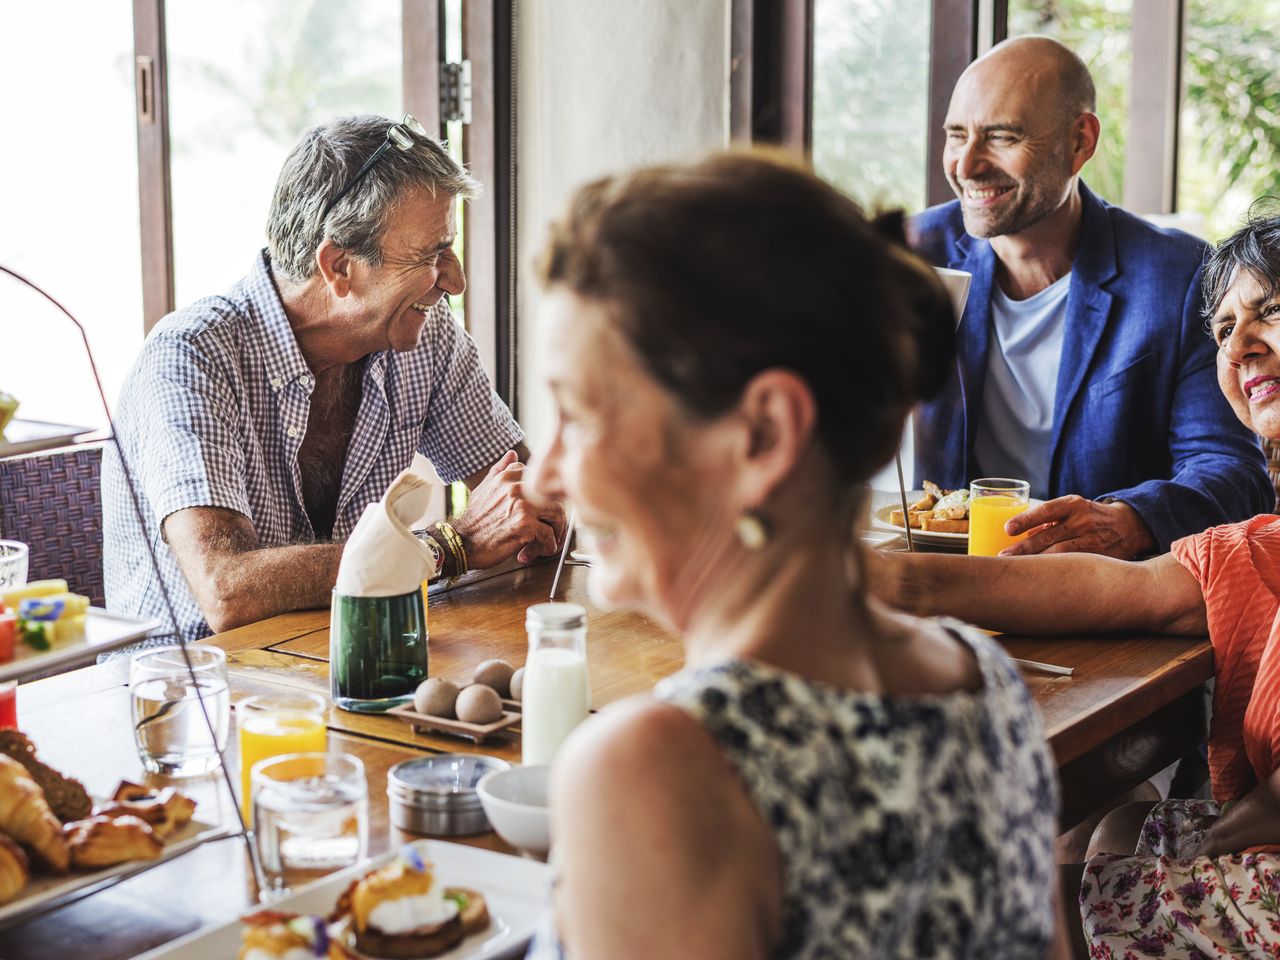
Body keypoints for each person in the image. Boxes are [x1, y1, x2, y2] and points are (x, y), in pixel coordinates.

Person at [522, 152, 1063, 958]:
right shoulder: (985, 684)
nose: (542, 473)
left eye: (578, 414)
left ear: (764, 434)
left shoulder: (657, 769)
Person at [877, 214, 1280, 958]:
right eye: (1223, 328)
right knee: (1120, 824)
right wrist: (895, 576)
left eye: (1271, 311)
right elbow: (1116, 592)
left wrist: (1211, 847)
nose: (1239, 343)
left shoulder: (1157, 264)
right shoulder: (1266, 545)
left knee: (1014, 899)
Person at [103, 115, 565, 643]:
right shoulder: (191, 357)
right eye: (431, 255)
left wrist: (538, 506)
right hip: (184, 698)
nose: (455, 281)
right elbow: (228, 591)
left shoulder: (425, 337)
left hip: (338, 663)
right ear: (339, 267)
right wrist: (446, 545)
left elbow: (532, 506)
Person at [911, 36, 1271, 559]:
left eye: (1002, 136)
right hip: (933, 578)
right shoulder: (908, 256)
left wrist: (1128, 520)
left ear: (1080, 141)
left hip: (1099, 594)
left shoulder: (1180, 274)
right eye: (956, 135)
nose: (966, 165)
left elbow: (1233, 474)